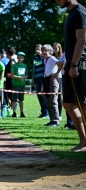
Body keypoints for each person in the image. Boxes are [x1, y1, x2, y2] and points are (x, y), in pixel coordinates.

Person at [56, 0, 86, 151]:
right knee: (68, 103)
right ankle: (83, 141)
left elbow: (81, 41)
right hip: (70, 62)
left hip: (79, 63)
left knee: (83, 104)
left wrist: (74, 65)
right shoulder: (71, 13)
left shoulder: (80, 12)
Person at [42, 44, 60, 126]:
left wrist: (56, 74)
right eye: (43, 50)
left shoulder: (52, 58)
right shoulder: (45, 59)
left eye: (46, 50)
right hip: (46, 79)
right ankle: (51, 119)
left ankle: (56, 120)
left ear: (50, 51)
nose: (44, 52)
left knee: (53, 100)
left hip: (53, 80)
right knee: (48, 101)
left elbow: (61, 64)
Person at [31, 44, 48, 118]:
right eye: (36, 49)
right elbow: (34, 69)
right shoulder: (35, 58)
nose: (38, 50)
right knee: (39, 96)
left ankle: (46, 112)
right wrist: (33, 81)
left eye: (39, 49)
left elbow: (44, 65)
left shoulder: (44, 57)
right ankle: (43, 112)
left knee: (43, 95)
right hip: (37, 79)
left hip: (43, 78)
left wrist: (41, 55)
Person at [10, 52, 28, 117]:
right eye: (19, 57)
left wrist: (24, 78)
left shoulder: (25, 66)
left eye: (22, 58)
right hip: (15, 84)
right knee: (14, 99)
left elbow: (26, 75)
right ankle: (14, 112)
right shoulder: (14, 66)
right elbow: (12, 75)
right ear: (17, 58)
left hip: (22, 85)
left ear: (23, 59)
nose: (20, 59)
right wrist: (19, 77)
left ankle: (22, 112)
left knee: (21, 99)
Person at [53, 42, 63, 120]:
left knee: (59, 96)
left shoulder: (61, 57)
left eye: (56, 48)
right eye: (54, 48)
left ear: (59, 48)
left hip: (60, 77)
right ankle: (55, 114)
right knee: (55, 96)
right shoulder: (53, 57)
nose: (55, 49)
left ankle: (60, 114)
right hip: (55, 77)